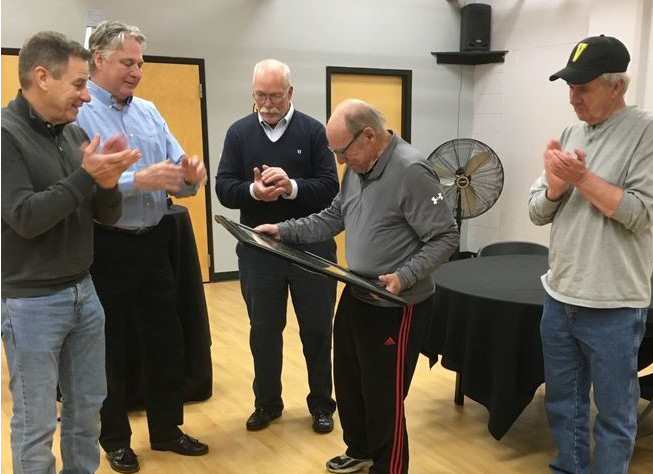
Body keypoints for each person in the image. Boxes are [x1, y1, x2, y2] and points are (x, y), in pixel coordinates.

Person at [256, 99, 459, 474]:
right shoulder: (358, 168)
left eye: (342, 152)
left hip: (396, 303)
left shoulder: (412, 170)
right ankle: (361, 449)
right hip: (356, 290)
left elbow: (446, 237)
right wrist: (284, 231)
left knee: (384, 397)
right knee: (349, 382)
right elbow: (334, 216)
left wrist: (405, 275)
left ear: (368, 135)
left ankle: (389, 466)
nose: (340, 161)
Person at [529, 35, 653, 474]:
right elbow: (537, 212)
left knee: (614, 415)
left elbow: (640, 213)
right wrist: (556, 185)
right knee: (563, 404)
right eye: (569, 87)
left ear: (617, 86)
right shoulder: (572, 132)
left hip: (613, 304)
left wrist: (582, 179)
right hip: (561, 296)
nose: (573, 97)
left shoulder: (649, 130)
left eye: (584, 88)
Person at [1, 31, 140, 474]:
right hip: (30, 303)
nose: (86, 95)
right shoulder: (5, 135)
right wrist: (86, 177)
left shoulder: (72, 132)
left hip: (84, 292)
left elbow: (107, 215)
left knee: (86, 415)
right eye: (79, 84)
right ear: (42, 76)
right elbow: (25, 216)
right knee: (37, 422)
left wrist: (108, 181)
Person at [76, 20, 208, 473]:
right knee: (109, 347)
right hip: (106, 247)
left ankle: (167, 431)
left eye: (140, 63)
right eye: (127, 62)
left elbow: (178, 167)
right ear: (99, 59)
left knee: (165, 341)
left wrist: (190, 172)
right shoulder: (79, 111)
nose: (136, 71)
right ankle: (115, 439)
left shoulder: (149, 112)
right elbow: (84, 186)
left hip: (154, 244)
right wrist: (137, 180)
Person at [215, 58, 340, 434]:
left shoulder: (314, 132)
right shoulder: (239, 133)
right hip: (259, 250)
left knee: (317, 330)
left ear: (290, 93)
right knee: (264, 331)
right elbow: (223, 188)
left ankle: (321, 404)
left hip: (312, 248)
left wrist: (292, 186)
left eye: (274, 96)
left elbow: (330, 188)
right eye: (259, 96)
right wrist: (254, 191)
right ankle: (267, 403)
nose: (266, 104)